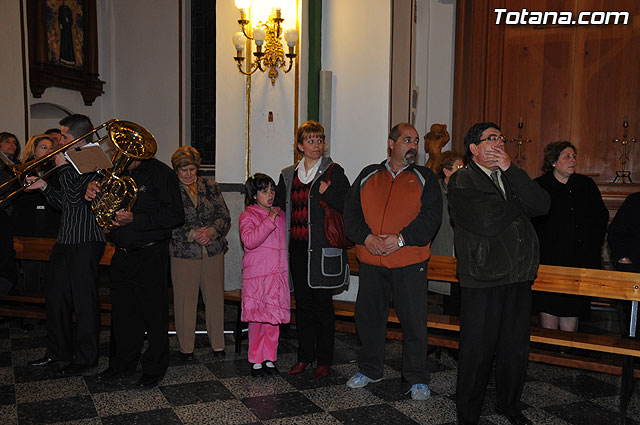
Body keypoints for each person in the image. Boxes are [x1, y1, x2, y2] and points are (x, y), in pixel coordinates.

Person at [448, 122, 550, 425]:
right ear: (474, 149)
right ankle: (468, 414)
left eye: (500, 138)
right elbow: (487, 221)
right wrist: (519, 203)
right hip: (483, 277)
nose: (498, 143)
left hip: (518, 275)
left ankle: (509, 405)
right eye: (490, 138)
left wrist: (511, 169)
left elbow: (542, 205)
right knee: (477, 352)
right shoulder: (463, 180)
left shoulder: (511, 176)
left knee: (514, 350)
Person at [343, 122, 442, 400]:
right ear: (391, 143)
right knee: (369, 319)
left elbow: (431, 218)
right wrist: (367, 238)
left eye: (416, 141)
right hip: (372, 262)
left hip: (409, 262)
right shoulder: (368, 174)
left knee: (414, 322)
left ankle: (417, 378)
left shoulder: (425, 177)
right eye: (407, 140)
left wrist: (400, 239)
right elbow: (350, 214)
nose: (413, 146)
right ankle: (370, 369)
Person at [86, 149, 184, 388]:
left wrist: (135, 219)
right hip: (121, 253)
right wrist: (90, 192)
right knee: (122, 313)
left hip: (151, 253)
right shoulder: (114, 174)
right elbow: (102, 207)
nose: (117, 156)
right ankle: (121, 364)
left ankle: (154, 368)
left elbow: (175, 215)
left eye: (123, 151)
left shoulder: (162, 174)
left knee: (154, 314)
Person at [26, 115, 106, 375]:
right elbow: (65, 204)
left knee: (84, 301)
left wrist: (61, 168)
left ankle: (86, 358)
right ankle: (58, 354)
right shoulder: (70, 161)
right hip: (65, 239)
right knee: (56, 299)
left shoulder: (93, 160)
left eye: (64, 136)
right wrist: (44, 186)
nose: (59, 141)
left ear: (80, 139)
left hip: (86, 240)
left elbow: (76, 196)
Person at [275, 120, 350, 379]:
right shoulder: (287, 174)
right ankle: (304, 356)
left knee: (323, 306)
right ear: (300, 146)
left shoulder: (334, 172)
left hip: (322, 251)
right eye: (311, 140)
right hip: (296, 250)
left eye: (320, 140)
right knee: (303, 306)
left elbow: (348, 206)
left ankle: (324, 360)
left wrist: (328, 193)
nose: (317, 145)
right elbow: (278, 210)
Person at [532, 142, 608, 332]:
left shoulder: (586, 185)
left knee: (572, 306)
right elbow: (530, 221)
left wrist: (592, 246)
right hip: (549, 259)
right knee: (548, 304)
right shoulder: (540, 186)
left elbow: (600, 217)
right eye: (567, 156)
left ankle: (566, 352)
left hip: (578, 259)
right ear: (553, 161)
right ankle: (549, 352)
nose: (572, 160)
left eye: (574, 156)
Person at [170, 146, 230, 361]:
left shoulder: (211, 187)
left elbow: (224, 216)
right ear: (176, 170)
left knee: (214, 299)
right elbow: (166, 221)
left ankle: (218, 345)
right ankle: (186, 348)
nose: (188, 174)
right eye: (183, 170)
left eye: (192, 169)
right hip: (184, 253)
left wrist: (212, 231)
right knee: (185, 302)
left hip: (212, 250)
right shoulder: (170, 189)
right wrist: (191, 234)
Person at [239, 173, 290, 376]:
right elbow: (250, 241)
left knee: (272, 320)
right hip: (257, 277)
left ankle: (269, 357)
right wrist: (268, 221)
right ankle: (256, 359)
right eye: (264, 190)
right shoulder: (248, 215)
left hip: (276, 276)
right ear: (254, 194)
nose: (269, 194)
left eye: (271, 190)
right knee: (257, 320)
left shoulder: (280, 214)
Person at [11, 134, 61, 292]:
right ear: (34, 151)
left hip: (51, 227)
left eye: (51, 148)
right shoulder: (24, 170)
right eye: (44, 147)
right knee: (31, 274)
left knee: (51, 275)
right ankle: (30, 312)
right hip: (27, 227)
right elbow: (18, 200)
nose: (49, 151)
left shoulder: (57, 171)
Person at [428, 151, 465, 317]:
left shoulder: (466, 191)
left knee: (458, 303)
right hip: (441, 251)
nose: (463, 170)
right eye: (459, 167)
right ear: (446, 171)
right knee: (442, 302)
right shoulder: (435, 191)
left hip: (461, 253)